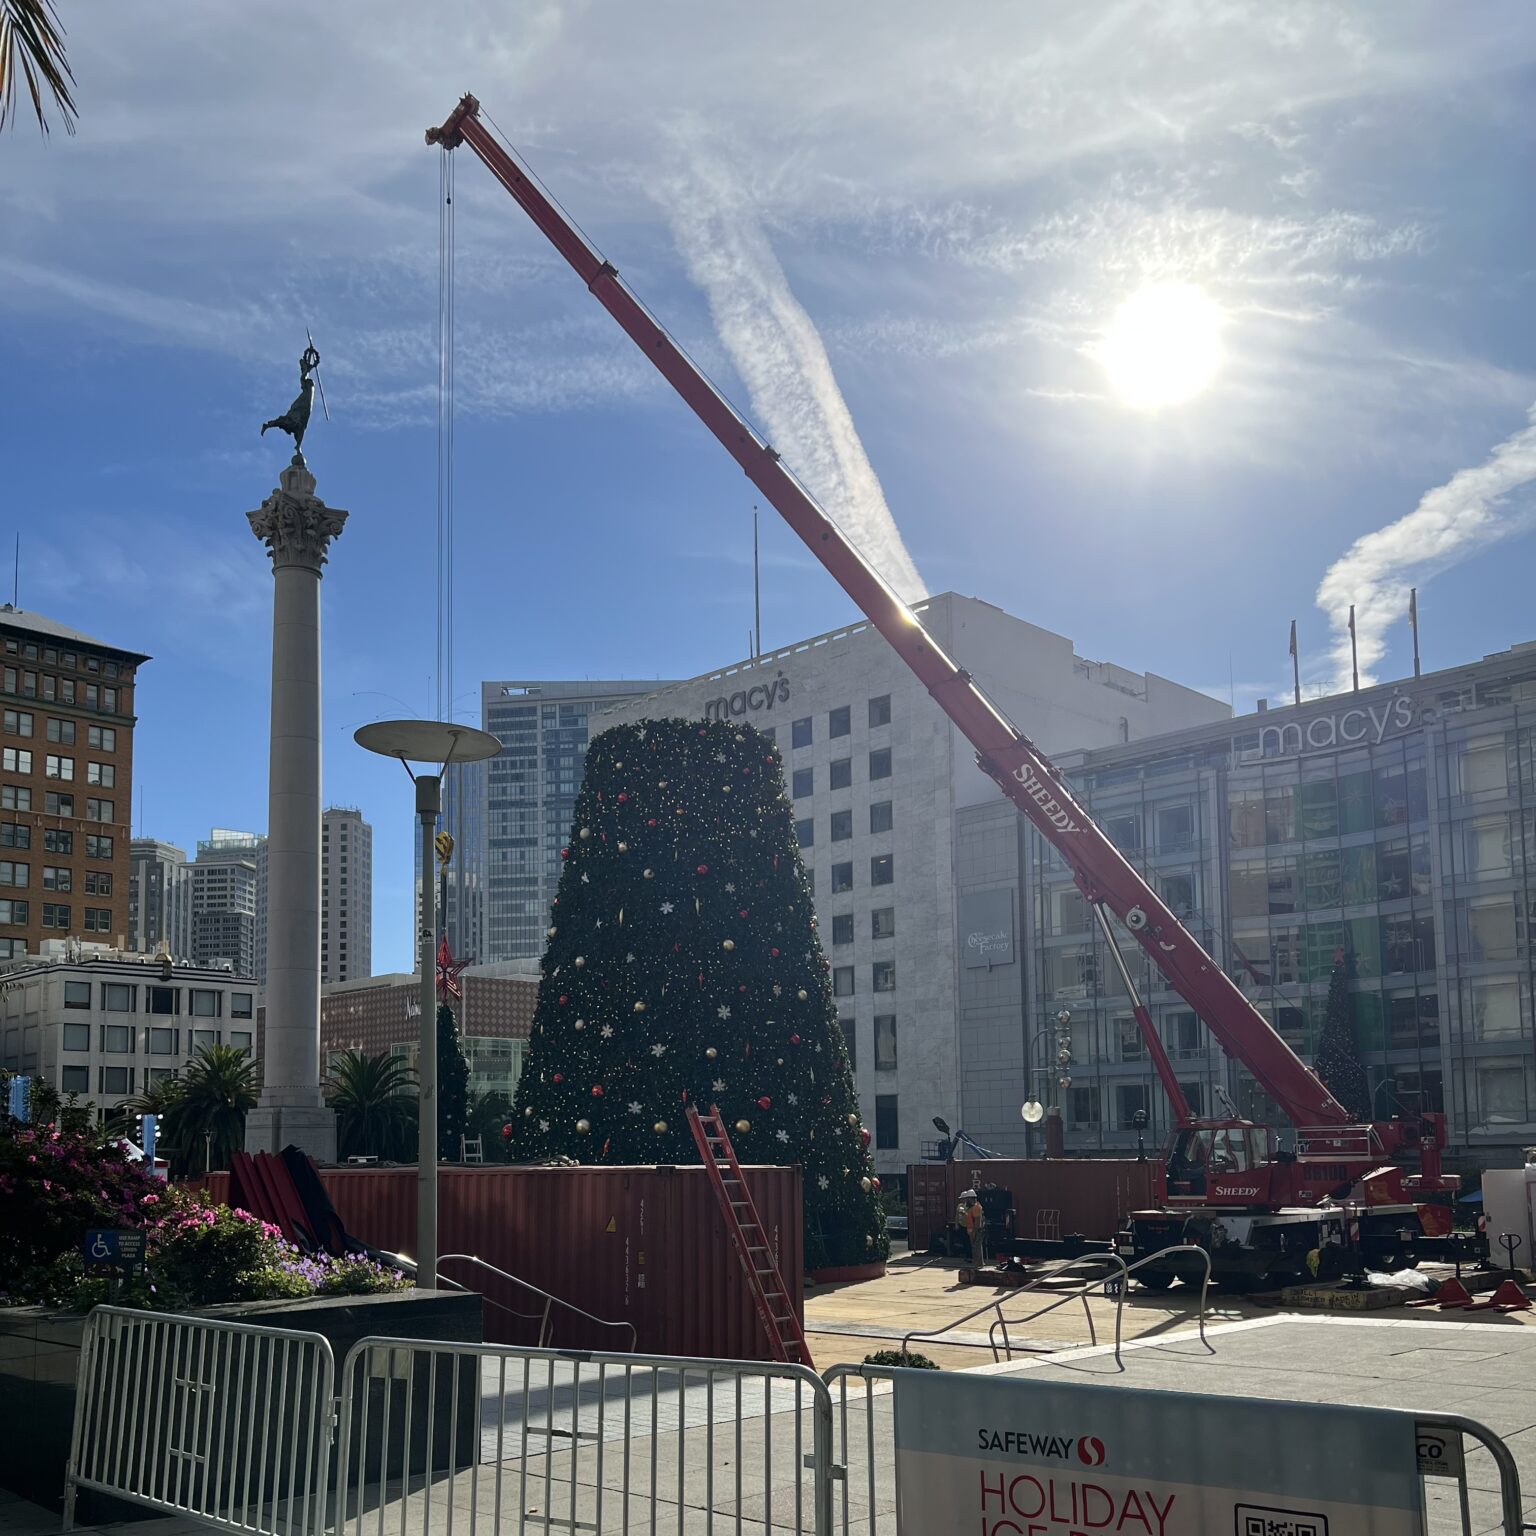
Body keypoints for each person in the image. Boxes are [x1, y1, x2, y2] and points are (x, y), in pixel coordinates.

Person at [960, 1189, 986, 1268]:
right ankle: (978, 1263)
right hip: (973, 1231)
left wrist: (974, 1232)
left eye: (967, 1199)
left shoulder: (976, 1207)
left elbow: (977, 1222)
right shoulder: (972, 1207)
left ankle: (979, 1264)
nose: (966, 1201)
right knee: (975, 1247)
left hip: (976, 1231)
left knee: (977, 1247)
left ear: (971, 1199)